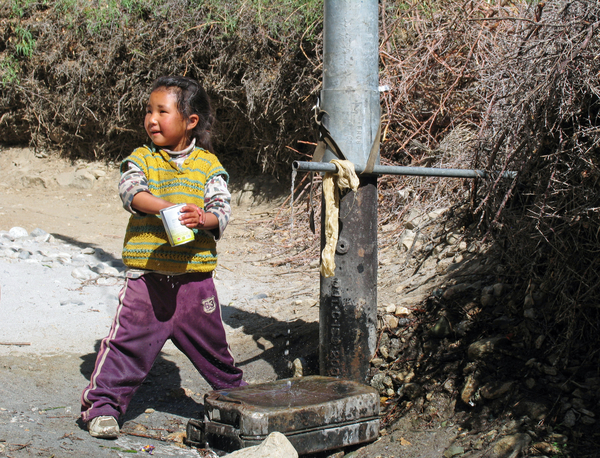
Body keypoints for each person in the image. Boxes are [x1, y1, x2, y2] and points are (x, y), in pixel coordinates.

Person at [80, 76, 245, 439]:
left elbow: (222, 208)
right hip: (147, 280)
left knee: (216, 351)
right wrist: (165, 207)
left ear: (190, 121)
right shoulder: (141, 159)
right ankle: (102, 407)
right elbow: (131, 192)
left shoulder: (208, 166)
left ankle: (240, 400)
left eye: (162, 111)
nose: (152, 119)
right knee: (127, 347)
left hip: (195, 283)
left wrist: (204, 219)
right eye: (149, 111)